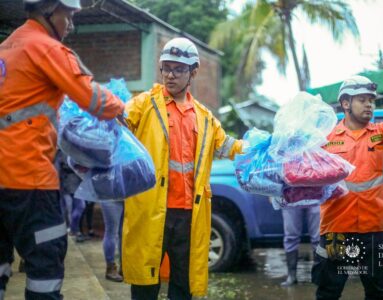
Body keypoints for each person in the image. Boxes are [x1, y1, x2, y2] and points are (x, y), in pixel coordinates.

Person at [0, 0, 125, 298]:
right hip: (28, 178)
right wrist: (122, 106)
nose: (70, 24)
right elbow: (92, 98)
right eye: (68, 16)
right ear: (49, 11)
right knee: (46, 261)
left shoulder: (6, 47)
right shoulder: (47, 48)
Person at [122, 37, 243, 300]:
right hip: (152, 210)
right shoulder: (144, 104)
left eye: (178, 69)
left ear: (193, 72)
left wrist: (264, 150)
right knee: (144, 286)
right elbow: (118, 123)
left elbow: (229, 147)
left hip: (189, 214)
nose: (170, 75)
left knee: (183, 286)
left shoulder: (204, 117)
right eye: (166, 68)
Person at [311, 75, 383, 300]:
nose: (369, 104)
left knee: (378, 291)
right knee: (328, 292)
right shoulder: (325, 139)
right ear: (346, 103)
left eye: (372, 100)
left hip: (376, 229)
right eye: (362, 99)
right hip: (337, 229)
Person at [280, 206, 320, 286]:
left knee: (318, 238)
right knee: (290, 236)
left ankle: (320, 275)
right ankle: (291, 276)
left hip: (315, 196)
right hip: (290, 197)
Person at [100, 201, 124, 282]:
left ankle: (124, 266)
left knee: (124, 232)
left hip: (128, 196)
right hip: (110, 196)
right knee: (112, 231)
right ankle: (110, 268)